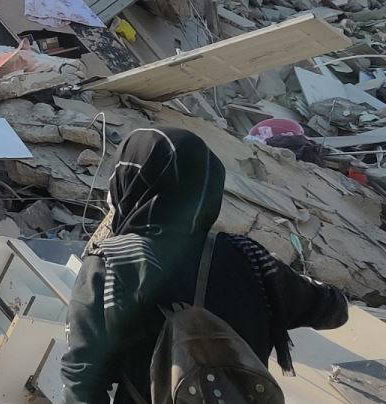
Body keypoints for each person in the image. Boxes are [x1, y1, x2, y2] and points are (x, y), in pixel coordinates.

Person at [62, 127, 348, 404]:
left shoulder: (111, 264)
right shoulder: (252, 259)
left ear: (131, 183)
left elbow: (82, 379)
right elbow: (335, 311)